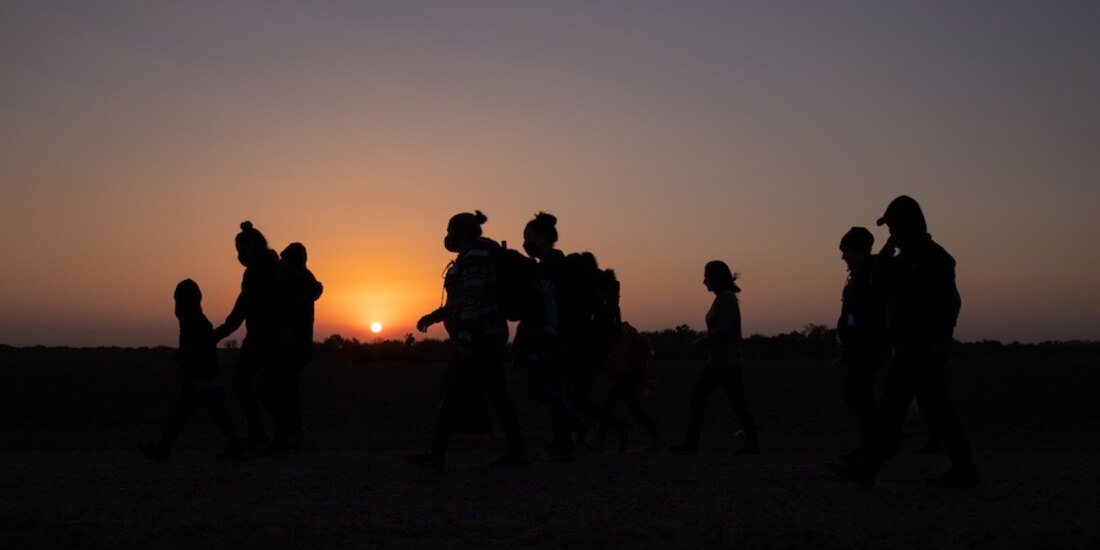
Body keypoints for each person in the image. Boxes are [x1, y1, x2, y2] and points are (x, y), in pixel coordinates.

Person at [830, 195, 978, 487]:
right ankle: (964, 469)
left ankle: (868, 466)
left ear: (907, 224)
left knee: (893, 404)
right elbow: (878, 281)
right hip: (909, 345)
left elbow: (950, 304)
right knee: (936, 408)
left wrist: (940, 343)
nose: (890, 233)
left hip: (921, 346)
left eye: (893, 226)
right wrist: (887, 252)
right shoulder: (907, 257)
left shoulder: (933, 256)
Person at [406, 211, 527, 471]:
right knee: (490, 392)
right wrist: (435, 316)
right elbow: (462, 300)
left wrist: (464, 337)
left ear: (460, 231)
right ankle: (517, 450)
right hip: (484, 334)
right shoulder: (471, 256)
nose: (448, 235)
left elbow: (473, 297)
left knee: (459, 390)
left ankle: (437, 454)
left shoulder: (474, 256)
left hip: (481, 335)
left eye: (450, 229)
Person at [141, 279, 242, 462]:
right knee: (209, 412)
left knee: (186, 414)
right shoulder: (198, 320)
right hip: (205, 376)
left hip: (199, 377)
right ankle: (235, 444)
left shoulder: (193, 321)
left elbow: (196, 349)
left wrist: (182, 359)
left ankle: (163, 449)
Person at [213, 221, 290, 452]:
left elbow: (241, 309)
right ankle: (276, 435)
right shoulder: (273, 266)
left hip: (266, 338)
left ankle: (272, 436)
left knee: (252, 384)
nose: (239, 255)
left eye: (240, 249)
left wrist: (216, 335)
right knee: (263, 386)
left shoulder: (259, 271)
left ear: (251, 247)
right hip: (271, 336)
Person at [670, 261, 759, 455]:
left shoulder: (727, 298)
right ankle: (692, 443)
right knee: (701, 399)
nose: (704, 281)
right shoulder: (722, 299)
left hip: (729, 362)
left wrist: (699, 343)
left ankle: (751, 443)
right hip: (718, 362)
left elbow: (724, 329)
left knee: (735, 402)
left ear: (716, 277)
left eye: (707, 276)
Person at [513, 212, 580, 461]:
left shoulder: (551, 261)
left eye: (529, 237)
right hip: (562, 333)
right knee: (554, 388)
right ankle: (562, 444)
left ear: (543, 237)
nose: (526, 243)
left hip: (555, 334)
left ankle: (571, 424)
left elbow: (546, 295)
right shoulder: (553, 261)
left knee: (542, 388)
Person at [834, 227, 890, 464]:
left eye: (845, 250)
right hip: (859, 345)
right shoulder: (859, 274)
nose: (843, 256)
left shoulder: (870, 272)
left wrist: (854, 333)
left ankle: (881, 439)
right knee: (858, 394)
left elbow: (864, 312)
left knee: (856, 393)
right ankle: (871, 444)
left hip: (867, 345)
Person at [567, 252, 629, 452]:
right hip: (599, 347)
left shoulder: (589, 285)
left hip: (587, 347)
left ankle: (615, 428)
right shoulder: (607, 285)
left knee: (578, 397)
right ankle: (581, 435)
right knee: (578, 396)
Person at [280, 242, 323, 450]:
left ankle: (294, 431)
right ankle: (293, 430)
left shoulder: (297, 280)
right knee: (288, 387)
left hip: (294, 343)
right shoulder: (304, 279)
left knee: (286, 387)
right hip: (299, 343)